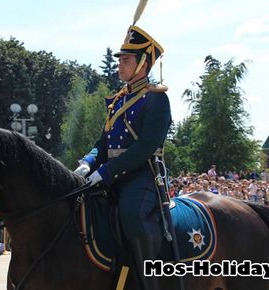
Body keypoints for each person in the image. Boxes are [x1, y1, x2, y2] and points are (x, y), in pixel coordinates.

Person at [74, 25, 169, 290]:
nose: (120, 65)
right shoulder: (118, 101)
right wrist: (87, 163)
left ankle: (150, 283)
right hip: (113, 175)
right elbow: (103, 144)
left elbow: (146, 147)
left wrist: (105, 172)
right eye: (120, 60)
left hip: (144, 174)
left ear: (143, 63)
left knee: (131, 214)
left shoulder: (156, 99)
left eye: (126, 60)